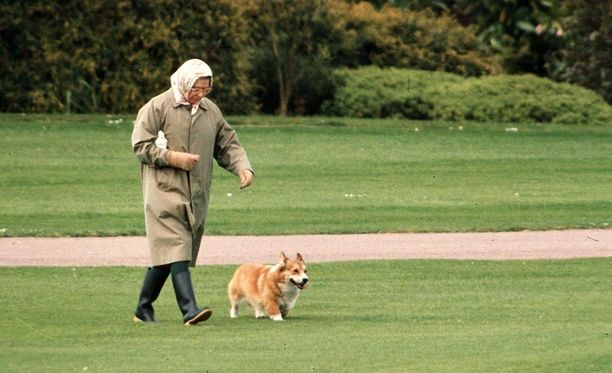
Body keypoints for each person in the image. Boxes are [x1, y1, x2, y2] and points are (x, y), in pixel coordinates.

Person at [131, 59, 254, 325]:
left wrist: (243, 168)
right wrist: (174, 158)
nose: (200, 94)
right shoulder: (157, 106)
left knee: (168, 255)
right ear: (185, 82)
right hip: (163, 191)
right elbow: (140, 146)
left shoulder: (211, 111)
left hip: (195, 193)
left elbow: (228, 144)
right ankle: (189, 309)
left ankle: (143, 307)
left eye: (205, 90)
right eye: (196, 89)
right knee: (178, 246)